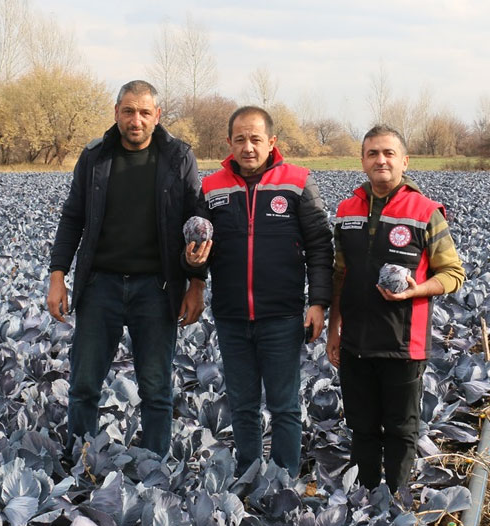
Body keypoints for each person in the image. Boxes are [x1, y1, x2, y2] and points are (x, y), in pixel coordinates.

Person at [46, 80, 205, 456]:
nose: (137, 120)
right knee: (84, 383)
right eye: (129, 111)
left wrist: (197, 283)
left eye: (145, 112)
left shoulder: (179, 158)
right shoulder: (95, 157)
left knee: (156, 388)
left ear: (157, 116)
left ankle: (155, 467)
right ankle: (81, 461)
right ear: (116, 112)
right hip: (101, 285)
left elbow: (197, 219)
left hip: (158, 288)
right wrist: (57, 276)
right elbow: (73, 218)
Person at [186, 106, 333, 478]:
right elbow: (198, 249)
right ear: (229, 142)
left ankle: (284, 478)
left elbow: (319, 246)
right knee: (242, 404)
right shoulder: (211, 187)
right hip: (232, 315)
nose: (248, 147)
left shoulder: (298, 182)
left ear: (271, 142)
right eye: (240, 139)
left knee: (284, 405)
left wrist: (318, 303)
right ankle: (248, 474)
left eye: (255, 139)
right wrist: (192, 262)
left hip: (282, 315)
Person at [325, 125, 464, 493]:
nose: (380, 160)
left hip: (404, 343)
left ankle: (397, 502)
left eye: (388, 153)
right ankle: (368, 501)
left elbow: (453, 273)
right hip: (355, 342)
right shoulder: (347, 210)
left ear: (404, 161)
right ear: (363, 161)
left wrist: (418, 290)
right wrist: (333, 329)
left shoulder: (425, 212)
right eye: (372, 153)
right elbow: (340, 274)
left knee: (402, 430)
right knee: (361, 426)